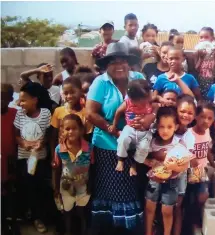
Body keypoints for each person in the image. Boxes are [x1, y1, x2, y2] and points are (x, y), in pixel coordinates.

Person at [86, 42, 154, 233]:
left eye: (122, 61)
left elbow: (152, 104)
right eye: (113, 62)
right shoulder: (101, 82)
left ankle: (128, 226)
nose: (119, 66)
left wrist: (150, 117)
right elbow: (90, 113)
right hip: (107, 146)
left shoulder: (139, 78)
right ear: (106, 64)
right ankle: (109, 227)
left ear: (128, 62)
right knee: (110, 189)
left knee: (132, 188)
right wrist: (114, 131)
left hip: (137, 143)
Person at [151, 95, 197, 235]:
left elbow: (187, 158)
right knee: (163, 206)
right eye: (182, 111)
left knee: (177, 207)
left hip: (180, 176)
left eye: (190, 113)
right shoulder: (166, 127)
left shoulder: (188, 136)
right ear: (176, 110)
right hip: (162, 174)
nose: (185, 115)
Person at [14, 82, 52, 233]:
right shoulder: (19, 114)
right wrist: (23, 143)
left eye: (23, 100)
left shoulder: (45, 114)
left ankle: (39, 217)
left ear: (34, 100)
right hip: (24, 158)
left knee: (39, 188)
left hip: (40, 159)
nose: (20, 103)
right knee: (27, 187)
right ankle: (30, 215)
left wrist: (42, 143)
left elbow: (49, 133)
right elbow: (16, 135)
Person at [144, 106, 186, 235]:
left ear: (176, 127)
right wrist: (152, 160)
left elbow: (184, 165)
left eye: (169, 127)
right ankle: (148, 232)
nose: (165, 131)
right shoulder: (152, 142)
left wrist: (172, 167)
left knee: (167, 211)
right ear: (157, 126)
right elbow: (142, 158)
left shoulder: (178, 143)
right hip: (154, 181)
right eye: (162, 126)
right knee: (149, 208)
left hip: (171, 182)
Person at [52, 114, 94, 235]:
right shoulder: (59, 149)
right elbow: (57, 169)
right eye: (67, 129)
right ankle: (68, 232)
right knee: (67, 212)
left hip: (83, 188)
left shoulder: (89, 148)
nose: (71, 132)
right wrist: (55, 188)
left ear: (81, 130)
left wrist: (91, 185)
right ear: (62, 131)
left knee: (82, 212)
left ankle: (83, 231)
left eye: (74, 128)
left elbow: (93, 168)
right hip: (66, 187)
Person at [186, 101, 215, 230]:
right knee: (191, 197)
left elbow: (207, 149)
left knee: (201, 197)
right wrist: (191, 158)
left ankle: (195, 219)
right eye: (202, 116)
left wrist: (213, 163)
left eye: (209, 118)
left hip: (201, 170)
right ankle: (191, 222)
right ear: (195, 116)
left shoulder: (206, 132)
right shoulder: (189, 133)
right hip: (189, 171)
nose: (205, 121)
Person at [109, 79, 153, 176]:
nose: (142, 104)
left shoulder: (150, 100)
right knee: (123, 139)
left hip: (145, 131)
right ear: (132, 99)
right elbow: (118, 112)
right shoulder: (128, 103)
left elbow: (157, 100)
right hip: (130, 128)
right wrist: (114, 125)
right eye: (139, 102)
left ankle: (134, 165)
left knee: (143, 148)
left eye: (144, 100)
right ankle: (120, 159)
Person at [50, 76, 93, 159]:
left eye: (72, 92)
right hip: (62, 155)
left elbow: (88, 138)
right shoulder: (58, 111)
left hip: (81, 156)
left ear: (80, 92)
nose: (69, 96)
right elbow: (53, 137)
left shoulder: (86, 113)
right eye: (66, 93)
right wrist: (53, 157)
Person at [1, 84, 19, 235]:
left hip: (11, 161)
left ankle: (13, 223)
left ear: (10, 99)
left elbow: (17, 136)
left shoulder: (14, 113)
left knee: (12, 193)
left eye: (3, 97)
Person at [194, 27, 215, 99]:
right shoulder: (197, 52)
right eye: (201, 37)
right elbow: (196, 69)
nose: (203, 39)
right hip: (200, 81)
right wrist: (201, 58)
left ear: (212, 38)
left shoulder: (214, 52)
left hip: (211, 81)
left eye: (206, 37)